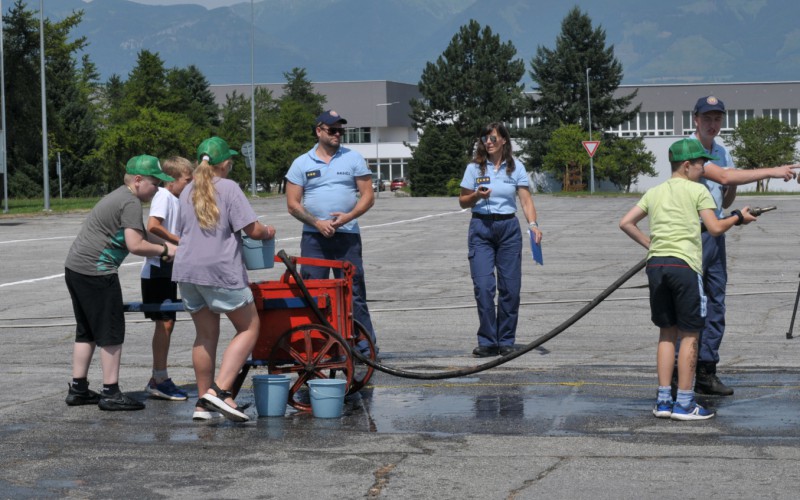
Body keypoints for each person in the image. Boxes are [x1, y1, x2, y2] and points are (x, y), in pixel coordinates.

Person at [620, 138, 759, 420]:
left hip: (657, 266)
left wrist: (652, 246)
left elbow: (626, 222)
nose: (704, 168)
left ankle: (663, 400)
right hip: (685, 267)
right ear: (686, 166)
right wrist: (738, 217)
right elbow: (715, 228)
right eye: (700, 163)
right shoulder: (698, 191)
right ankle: (684, 402)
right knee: (691, 334)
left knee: (666, 332)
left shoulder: (655, 192)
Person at [688, 96, 798, 395]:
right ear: (695, 119)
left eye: (717, 118)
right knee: (690, 307)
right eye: (707, 118)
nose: (713, 124)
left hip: (716, 233)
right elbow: (722, 175)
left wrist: (734, 193)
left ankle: (706, 370)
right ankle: (678, 372)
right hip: (692, 236)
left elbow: (724, 196)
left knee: (716, 303)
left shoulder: (722, 151)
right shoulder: (690, 151)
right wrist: (773, 171)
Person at [172, 137, 276, 423]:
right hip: (218, 270)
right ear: (224, 163)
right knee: (249, 328)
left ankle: (203, 404)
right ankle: (219, 391)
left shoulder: (188, 190)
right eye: (230, 160)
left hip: (187, 271)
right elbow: (253, 231)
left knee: (205, 335)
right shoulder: (229, 188)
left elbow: (182, 230)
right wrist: (268, 230)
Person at [64, 154, 177, 411]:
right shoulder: (130, 203)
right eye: (154, 182)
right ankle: (111, 392)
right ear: (138, 180)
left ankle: (78, 389)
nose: (158, 188)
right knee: (111, 332)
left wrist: (167, 243)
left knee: (88, 331)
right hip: (97, 272)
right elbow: (135, 245)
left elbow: (137, 232)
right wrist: (164, 252)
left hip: (76, 269)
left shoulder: (121, 197)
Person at [285, 110, 378, 353]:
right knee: (314, 291)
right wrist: (317, 223)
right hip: (315, 238)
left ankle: (364, 347)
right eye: (332, 130)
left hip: (347, 236)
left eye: (340, 130)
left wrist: (349, 217)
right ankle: (317, 345)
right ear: (319, 131)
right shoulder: (301, 163)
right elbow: (293, 204)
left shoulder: (353, 158)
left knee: (354, 291)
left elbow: (368, 196)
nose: (338, 134)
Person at [458, 122, 542, 358]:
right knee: (484, 287)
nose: (489, 142)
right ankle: (487, 340)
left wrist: (533, 225)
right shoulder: (475, 168)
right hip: (481, 227)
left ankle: (505, 340)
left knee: (510, 288)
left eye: (494, 138)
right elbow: (462, 201)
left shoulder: (516, 168)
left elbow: (525, 201)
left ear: (504, 140)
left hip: (508, 229)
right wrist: (475, 195)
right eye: (486, 138)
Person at [140, 156, 194, 401]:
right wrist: (177, 241)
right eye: (187, 180)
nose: (189, 184)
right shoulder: (163, 195)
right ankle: (158, 378)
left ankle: (159, 376)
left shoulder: (176, 198)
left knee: (169, 322)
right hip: (157, 268)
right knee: (165, 322)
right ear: (172, 180)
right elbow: (152, 226)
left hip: (168, 266)